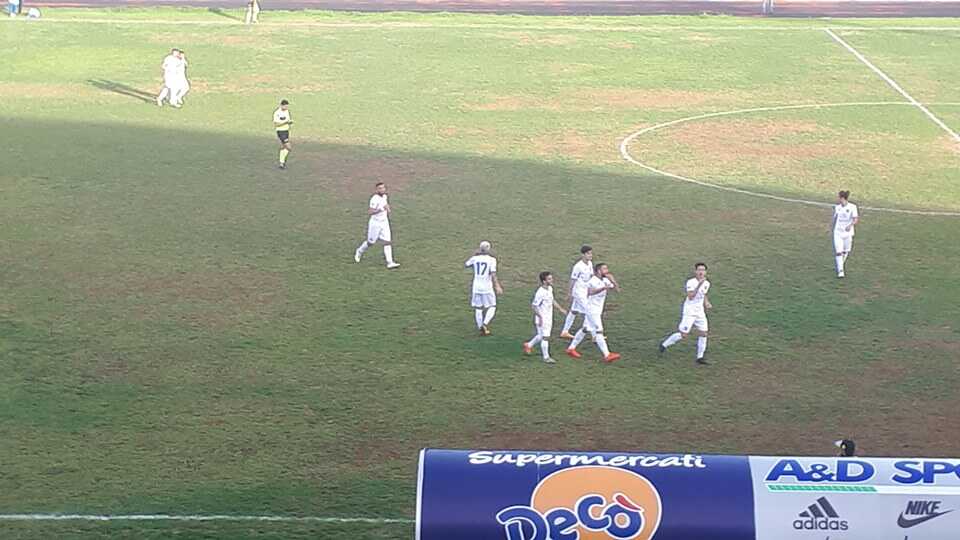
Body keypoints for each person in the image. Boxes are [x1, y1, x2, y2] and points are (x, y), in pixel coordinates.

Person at [566, 263, 621, 363]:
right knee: (599, 330)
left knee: (585, 328)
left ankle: (571, 348)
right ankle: (607, 354)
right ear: (599, 271)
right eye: (604, 269)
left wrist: (613, 281)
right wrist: (603, 288)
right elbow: (590, 292)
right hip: (592, 310)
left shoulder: (605, 280)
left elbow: (617, 290)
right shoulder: (592, 281)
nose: (607, 270)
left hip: (597, 310)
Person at [660, 262, 712, 365]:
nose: (701, 272)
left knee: (704, 333)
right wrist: (699, 284)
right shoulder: (691, 282)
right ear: (695, 271)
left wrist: (706, 302)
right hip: (689, 311)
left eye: (703, 270)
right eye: (699, 270)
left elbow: (703, 293)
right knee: (683, 334)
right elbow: (691, 296)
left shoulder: (707, 283)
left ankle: (700, 357)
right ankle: (664, 344)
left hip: (700, 312)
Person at [523, 271, 568, 364]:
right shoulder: (540, 293)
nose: (552, 280)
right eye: (549, 279)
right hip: (543, 319)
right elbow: (534, 306)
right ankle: (546, 357)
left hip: (548, 317)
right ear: (544, 281)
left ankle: (528, 345)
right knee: (545, 337)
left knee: (540, 336)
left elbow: (552, 300)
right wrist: (540, 317)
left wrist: (560, 309)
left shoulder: (550, 289)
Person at [354, 182, 400, 269]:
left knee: (387, 242)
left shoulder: (385, 196)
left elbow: (385, 204)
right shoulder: (374, 199)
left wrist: (388, 208)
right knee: (371, 242)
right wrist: (381, 209)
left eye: (383, 188)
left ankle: (390, 262)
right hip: (375, 224)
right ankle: (359, 251)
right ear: (376, 190)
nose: (382, 190)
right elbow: (370, 212)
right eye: (380, 188)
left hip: (384, 223)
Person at [464, 241, 503, 336]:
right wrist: (497, 286)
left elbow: (466, 264)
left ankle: (480, 328)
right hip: (487, 287)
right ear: (489, 249)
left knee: (478, 308)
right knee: (492, 306)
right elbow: (493, 274)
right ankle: (484, 324)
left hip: (476, 287)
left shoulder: (475, 258)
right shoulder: (492, 260)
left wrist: (475, 254)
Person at [559, 245, 594, 340]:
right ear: (583, 255)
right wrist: (569, 292)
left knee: (574, 311)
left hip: (585, 291)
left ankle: (564, 332)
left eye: (591, 253)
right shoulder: (578, 266)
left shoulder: (590, 264)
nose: (590, 255)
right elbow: (572, 280)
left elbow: (591, 277)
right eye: (588, 253)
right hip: (579, 292)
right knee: (589, 311)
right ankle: (595, 335)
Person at [832, 190, 859, 278]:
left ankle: (840, 264)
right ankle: (840, 271)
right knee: (838, 252)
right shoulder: (837, 208)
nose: (838, 199)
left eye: (839, 198)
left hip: (848, 233)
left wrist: (850, 225)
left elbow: (855, 219)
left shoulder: (852, 207)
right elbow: (834, 219)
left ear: (842, 198)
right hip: (838, 233)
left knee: (846, 251)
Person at [273, 99, 292, 169]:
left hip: (286, 131)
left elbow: (288, 120)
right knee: (289, 147)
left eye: (287, 106)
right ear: (281, 105)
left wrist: (289, 123)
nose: (286, 108)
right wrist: (285, 122)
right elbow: (276, 124)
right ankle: (282, 161)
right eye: (285, 106)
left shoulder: (287, 111)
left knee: (283, 147)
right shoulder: (277, 113)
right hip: (281, 132)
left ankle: (281, 163)